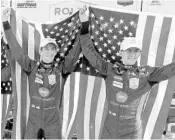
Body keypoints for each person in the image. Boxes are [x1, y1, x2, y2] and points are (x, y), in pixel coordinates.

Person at [79, 7, 175, 139]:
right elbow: (90, 53)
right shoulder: (109, 70)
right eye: (129, 50)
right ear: (121, 52)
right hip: (109, 130)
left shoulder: (147, 73)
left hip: (132, 132)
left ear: (140, 53)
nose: (132, 54)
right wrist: (84, 25)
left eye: (136, 51)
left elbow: (169, 70)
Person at [2, 8, 81, 139]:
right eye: (47, 49)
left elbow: (75, 53)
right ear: (40, 50)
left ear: (56, 52)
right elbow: (16, 50)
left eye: (52, 49)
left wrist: (84, 26)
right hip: (34, 121)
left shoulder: (61, 69)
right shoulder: (31, 66)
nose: (49, 52)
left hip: (53, 122)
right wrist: (5, 24)